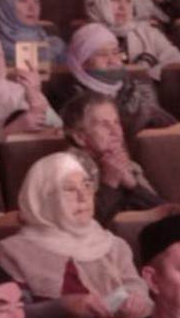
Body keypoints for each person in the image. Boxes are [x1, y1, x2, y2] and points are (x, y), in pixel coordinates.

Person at [0, 151, 150, 318]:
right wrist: (63, 307)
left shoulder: (113, 245)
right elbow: (14, 315)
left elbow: (134, 285)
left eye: (87, 186)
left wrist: (135, 298)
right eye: (69, 189)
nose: (83, 197)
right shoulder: (12, 251)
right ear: (44, 198)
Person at [60, 92, 164, 225]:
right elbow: (81, 225)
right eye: (104, 125)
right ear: (80, 137)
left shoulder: (127, 164)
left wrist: (132, 185)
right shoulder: (67, 169)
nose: (116, 132)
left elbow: (164, 214)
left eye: (116, 122)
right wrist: (109, 183)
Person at [60, 24, 175, 139]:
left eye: (115, 53)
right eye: (102, 55)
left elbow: (162, 129)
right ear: (83, 61)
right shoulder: (72, 96)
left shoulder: (138, 86)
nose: (112, 60)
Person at [84, 0, 180, 78]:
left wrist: (146, 76)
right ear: (99, 1)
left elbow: (176, 61)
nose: (123, 6)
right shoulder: (86, 38)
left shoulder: (147, 32)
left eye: (128, 0)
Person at [0, 0, 65, 70]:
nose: (32, 8)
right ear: (5, 7)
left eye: (36, 1)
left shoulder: (55, 47)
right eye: (23, 0)